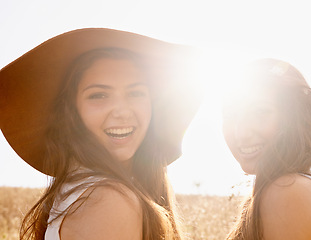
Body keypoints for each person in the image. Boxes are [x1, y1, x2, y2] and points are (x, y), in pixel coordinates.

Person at [0, 28, 202, 240]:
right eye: (99, 95)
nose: (122, 111)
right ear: (71, 111)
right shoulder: (109, 200)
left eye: (135, 93)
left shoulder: (78, 191)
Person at [222, 58, 311, 240]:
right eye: (231, 115)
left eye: (260, 113)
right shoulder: (302, 186)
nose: (241, 132)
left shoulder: (288, 191)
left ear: (293, 117)